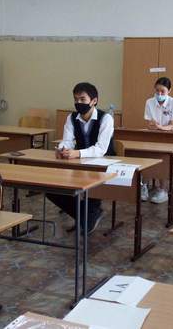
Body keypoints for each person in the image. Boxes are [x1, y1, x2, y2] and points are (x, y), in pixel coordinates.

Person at [49, 82, 115, 235]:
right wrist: (62, 149)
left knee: (91, 197)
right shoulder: (71, 118)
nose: (78, 103)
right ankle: (88, 215)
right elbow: (67, 140)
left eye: (82, 99)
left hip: (103, 166)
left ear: (94, 101)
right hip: (79, 165)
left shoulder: (106, 118)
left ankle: (89, 214)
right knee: (52, 190)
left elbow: (101, 149)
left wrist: (77, 153)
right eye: (76, 99)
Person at [142, 77, 173, 203]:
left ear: (169, 90)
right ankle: (144, 186)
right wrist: (155, 127)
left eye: (162, 91)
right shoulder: (149, 102)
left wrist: (161, 128)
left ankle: (162, 190)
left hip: (168, 137)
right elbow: (149, 124)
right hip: (152, 135)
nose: (159, 94)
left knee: (163, 158)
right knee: (146, 157)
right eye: (157, 91)